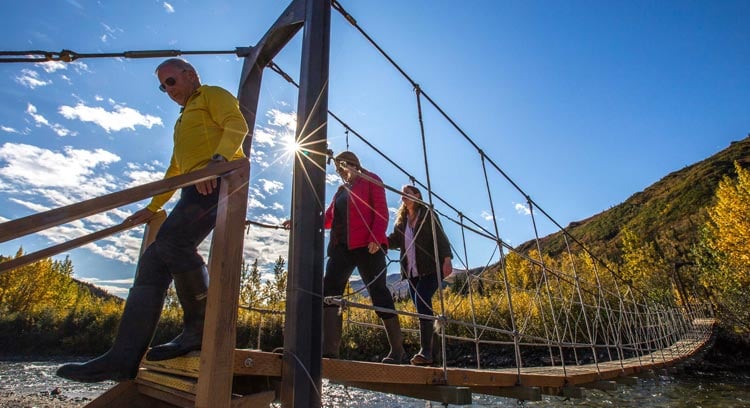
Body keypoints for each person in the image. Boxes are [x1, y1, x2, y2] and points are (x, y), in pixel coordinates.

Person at [56, 58, 249, 383]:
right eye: (162, 86)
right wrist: (153, 207)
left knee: (174, 242)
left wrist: (215, 164)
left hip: (220, 181)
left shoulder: (211, 95)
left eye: (170, 81)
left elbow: (237, 125)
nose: (167, 90)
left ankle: (198, 329)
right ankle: (122, 358)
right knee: (153, 262)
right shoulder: (183, 120)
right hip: (195, 186)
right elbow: (175, 169)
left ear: (190, 76)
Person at [322, 151, 406, 364]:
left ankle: (398, 351)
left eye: (344, 167)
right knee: (329, 291)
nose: (343, 172)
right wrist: (299, 219)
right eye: (340, 169)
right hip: (341, 248)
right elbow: (328, 218)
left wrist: (376, 237)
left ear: (353, 164)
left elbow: (380, 210)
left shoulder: (371, 179)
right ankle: (330, 351)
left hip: (368, 246)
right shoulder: (341, 191)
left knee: (379, 292)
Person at [387, 185, 452, 366]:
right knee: (421, 307)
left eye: (407, 193)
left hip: (432, 267)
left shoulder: (427, 214)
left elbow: (440, 236)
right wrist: (381, 241)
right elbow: (395, 240)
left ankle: (426, 351)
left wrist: (447, 259)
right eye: (402, 194)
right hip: (412, 271)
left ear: (417, 195)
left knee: (423, 300)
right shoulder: (401, 221)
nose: (403, 197)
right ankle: (434, 353)